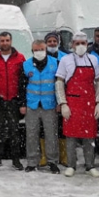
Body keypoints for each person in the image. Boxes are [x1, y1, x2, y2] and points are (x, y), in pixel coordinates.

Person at [55, 32, 99, 178]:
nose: (80, 46)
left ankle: (90, 166)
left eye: (83, 43)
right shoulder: (65, 60)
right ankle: (71, 165)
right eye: (77, 43)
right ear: (72, 45)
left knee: (90, 137)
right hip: (72, 102)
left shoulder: (94, 60)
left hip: (89, 103)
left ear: (87, 44)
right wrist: (63, 103)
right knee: (71, 136)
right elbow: (59, 82)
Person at [18, 40, 60, 174]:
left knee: (51, 134)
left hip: (50, 104)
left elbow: (60, 85)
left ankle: (52, 162)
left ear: (46, 49)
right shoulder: (26, 65)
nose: (39, 52)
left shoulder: (55, 63)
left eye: (41, 49)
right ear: (32, 51)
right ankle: (32, 162)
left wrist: (60, 103)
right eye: (36, 50)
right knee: (31, 134)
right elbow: (22, 86)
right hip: (32, 104)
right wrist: (22, 104)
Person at [0, 32, 26, 170]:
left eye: (7, 40)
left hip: (14, 100)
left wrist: (23, 102)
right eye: (2, 40)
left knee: (14, 131)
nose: (5, 43)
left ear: (11, 41)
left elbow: (23, 81)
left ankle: (16, 159)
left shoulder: (20, 58)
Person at [44, 31, 68, 167]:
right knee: (46, 129)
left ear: (58, 42)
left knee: (61, 128)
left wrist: (61, 100)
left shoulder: (65, 57)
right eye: (49, 41)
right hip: (46, 98)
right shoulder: (41, 56)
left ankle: (63, 155)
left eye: (54, 41)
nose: (52, 43)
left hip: (61, 97)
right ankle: (45, 156)